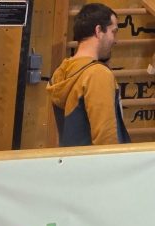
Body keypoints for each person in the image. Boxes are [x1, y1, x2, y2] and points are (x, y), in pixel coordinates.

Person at [47, 3, 131, 146]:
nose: (115, 40)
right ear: (99, 31)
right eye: (113, 32)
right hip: (97, 166)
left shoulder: (61, 73)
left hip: (73, 163)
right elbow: (106, 137)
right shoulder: (97, 74)